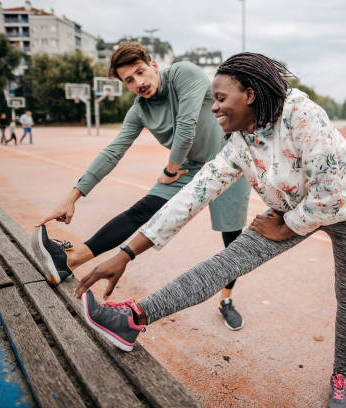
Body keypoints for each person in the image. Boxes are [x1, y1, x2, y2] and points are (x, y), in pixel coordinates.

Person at [73, 52, 346, 408]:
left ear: (249, 95)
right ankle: (132, 319)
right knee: (226, 263)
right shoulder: (239, 142)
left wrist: (287, 227)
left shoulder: (302, 114)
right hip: (290, 209)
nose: (214, 108)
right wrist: (126, 253)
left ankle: (341, 377)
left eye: (220, 99)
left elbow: (329, 194)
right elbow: (192, 195)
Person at [32, 41, 251, 330]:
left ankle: (226, 299)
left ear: (154, 65)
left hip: (228, 163)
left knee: (231, 241)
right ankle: (68, 261)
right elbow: (113, 151)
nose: (139, 82)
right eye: (129, 80)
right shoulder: (140, 111)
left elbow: (186, 127)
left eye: (140, 72)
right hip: (188, 168)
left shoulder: (184, 74)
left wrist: (169, 170)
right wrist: (73, 195)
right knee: (142, 210)